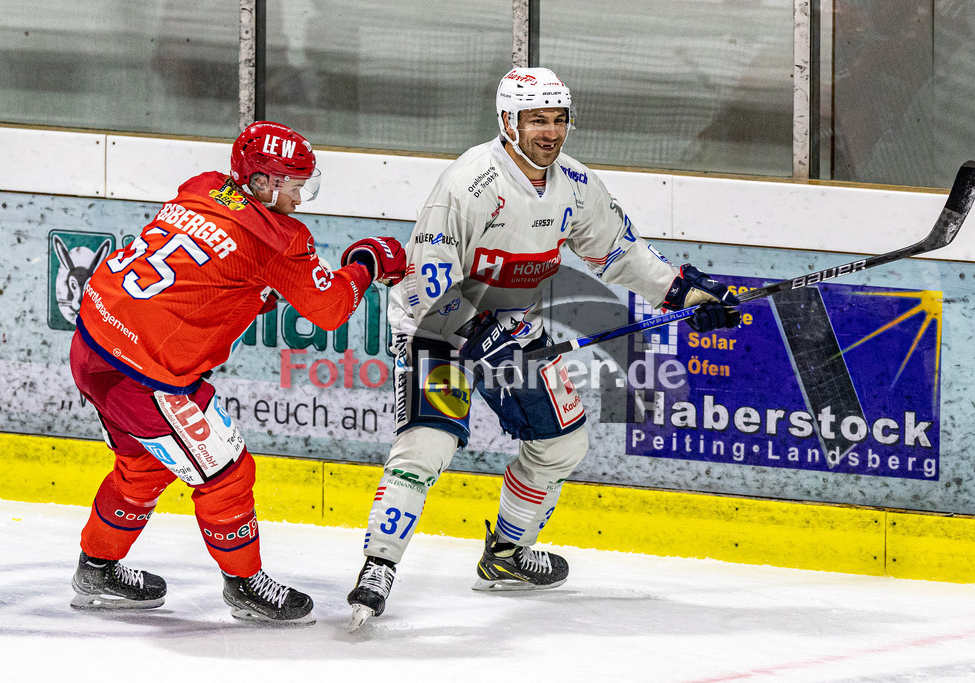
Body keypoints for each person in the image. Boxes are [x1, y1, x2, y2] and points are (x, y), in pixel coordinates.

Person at [345, 67, 741, 631]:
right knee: (426, 448)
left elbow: (622, 255)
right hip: (438, 330)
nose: (550, 132)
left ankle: (506, 554)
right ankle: (377, 567)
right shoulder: (469, 183)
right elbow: (426, 286)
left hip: (511, 330)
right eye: (536, 120)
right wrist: (484, 338)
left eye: (558, 120)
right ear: (508, 122)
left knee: (562, 444)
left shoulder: (576, 186)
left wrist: (685, 291)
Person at [68, 120, 406, 624]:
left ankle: (96, 569)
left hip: (93, 346)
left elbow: (206, 276)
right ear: (264, 183)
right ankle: (245, 585)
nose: (300, 195)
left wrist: (254, 294)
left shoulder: (202, 187)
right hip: (147, 376)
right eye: (293, 184)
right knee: (227, 472)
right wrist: (367, 264)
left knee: (144, 467)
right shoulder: (277, 239)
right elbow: (332, 308)